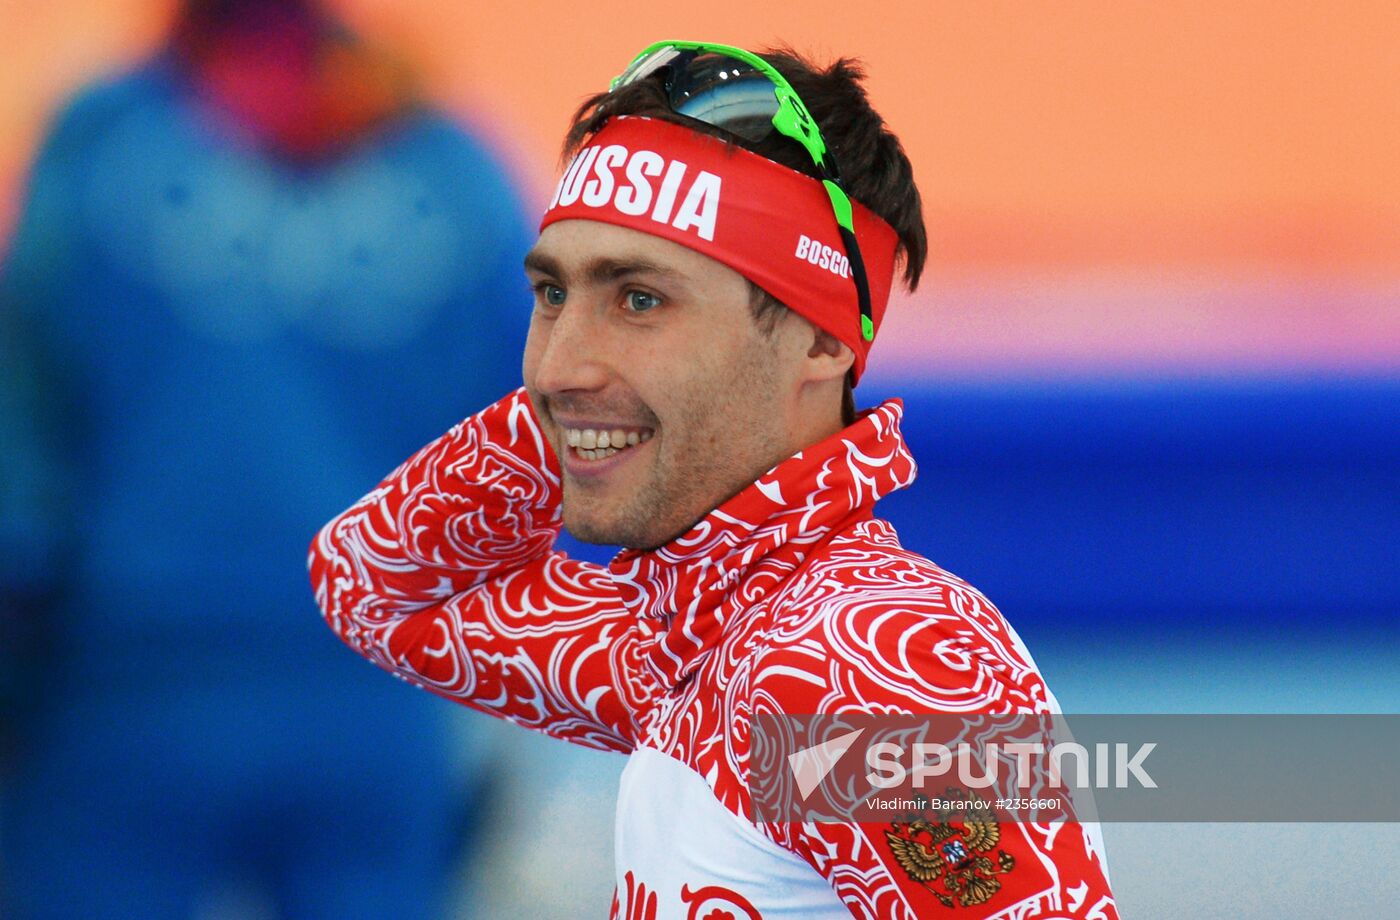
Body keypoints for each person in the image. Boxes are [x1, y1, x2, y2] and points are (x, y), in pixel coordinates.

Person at [311, 41, 1118, 918]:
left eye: (640, 300)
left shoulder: (866, 668)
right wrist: (596, 412)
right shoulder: (685, 641)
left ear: (820, 341)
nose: (553, 365)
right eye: (553, 295)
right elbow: (376, 587)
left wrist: (609, 410)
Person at [0, 1, 531, 916]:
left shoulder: (106, 139)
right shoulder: (449, 163)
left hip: (125, 678)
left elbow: (24, 423)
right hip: (379, 686)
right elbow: (536, 427)